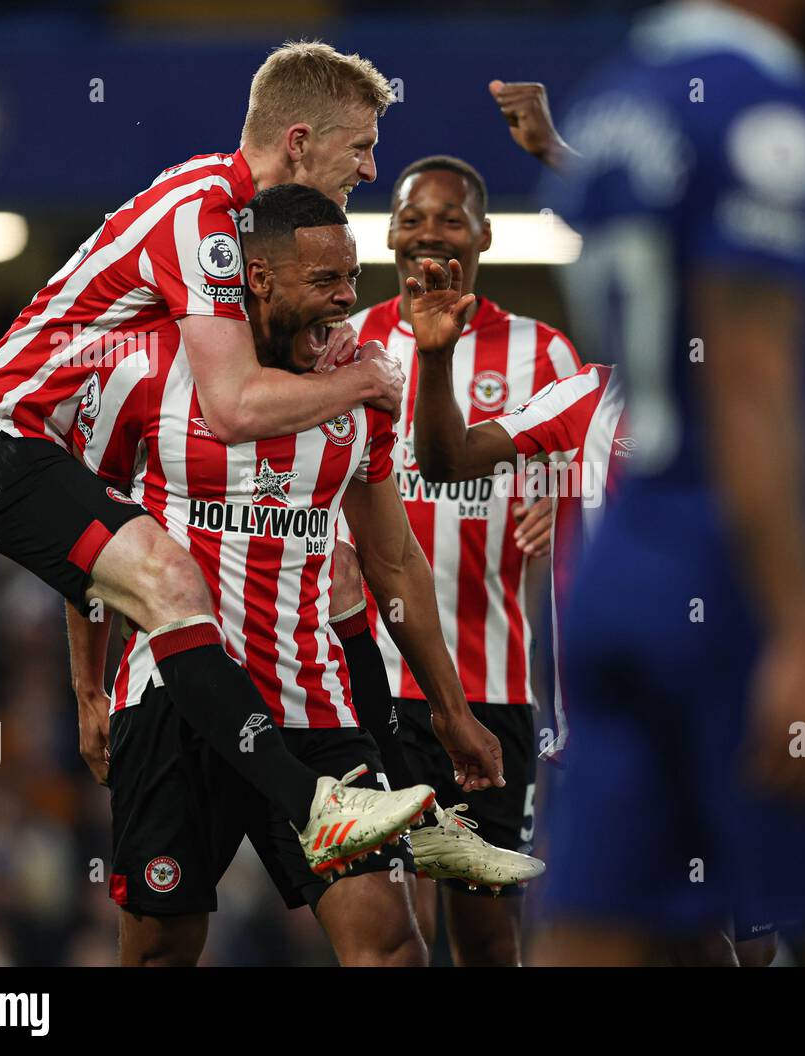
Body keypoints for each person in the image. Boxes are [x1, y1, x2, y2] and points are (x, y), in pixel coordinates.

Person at [0, 41, 503, 880]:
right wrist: (364, 378)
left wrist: (334, 349)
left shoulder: (244, 229)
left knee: (328, 574)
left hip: (75, 461)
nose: (370, 166)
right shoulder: (203, 214)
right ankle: (320, 802)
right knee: (173, 582)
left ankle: (411, 809)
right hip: (4, 442)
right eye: (360, 147)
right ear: (302, 141)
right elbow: (234, 405)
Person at [529, 0, 805, 967]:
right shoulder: (768, 115)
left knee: (602, 931)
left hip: (622, 566)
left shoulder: (614, 111)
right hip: (748, 577)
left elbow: (691, 380)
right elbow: (747, 377)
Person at [67, 184, 497, 966]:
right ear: (258, 278)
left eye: (352, 278)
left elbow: (392, 559)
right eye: (325, 282)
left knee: (394, 944)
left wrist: (450, 708)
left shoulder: (363, 387)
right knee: (160, 949)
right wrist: (89, 686)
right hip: (173, 706)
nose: (346, 301)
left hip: (311, 705)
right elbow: (88, 537)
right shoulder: (149, 368)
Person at [333, 155, 580, 966]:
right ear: (389, 232)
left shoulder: (543, 353)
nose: (428, 235)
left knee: (481, 927)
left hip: (492, 681)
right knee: (384, 919)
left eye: (448, 218)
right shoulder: (346, 344)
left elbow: (593, 464)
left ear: (483, 235)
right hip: (370, 682)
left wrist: (565, 501)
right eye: (411, 218)